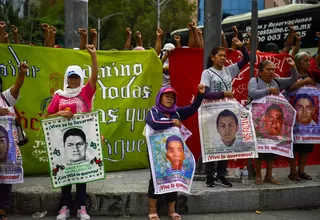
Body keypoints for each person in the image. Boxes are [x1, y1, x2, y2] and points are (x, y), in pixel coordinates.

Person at [47, 44, 98, 220]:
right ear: (67, 78)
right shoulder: (58, 95)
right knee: (65, 173)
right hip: (63, 141)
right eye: (71, 77)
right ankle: (66, 207)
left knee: (82, 172)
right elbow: (48, 116)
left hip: (81, 140)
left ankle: (81, 207)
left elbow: (94, 78)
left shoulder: (85, 93)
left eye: (76, 77)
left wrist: (93, 56)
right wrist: (59, 113)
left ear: (81, 78)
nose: (74, 80)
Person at [146, 84, 205, 220]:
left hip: (174, 153)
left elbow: (192, 108)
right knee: (156, 178)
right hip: (156, 154)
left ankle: (172, 210)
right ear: (160, 98)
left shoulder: (176, 112)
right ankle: (152, 209)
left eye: (172, 97)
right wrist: (173, 122)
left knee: (174, 177)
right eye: (167, 96)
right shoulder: (153, 112)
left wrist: (200, 95)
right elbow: (154, 123)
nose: (170, 99)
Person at [200, 37, 250, 188]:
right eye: (220, 55)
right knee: (211, 144)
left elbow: (246, 59)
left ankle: (221, 175)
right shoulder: (207, 73)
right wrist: (224, 94)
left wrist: (242, 47)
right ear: (212, 57)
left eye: (224, 56)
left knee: (225, 142)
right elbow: (206, 93)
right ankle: (209, 175)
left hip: (226, 111)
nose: (223, 58)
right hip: (211, 112)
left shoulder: (229, 70)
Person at [248, 58, 298, 185]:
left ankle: (269, 176)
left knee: (272, 148)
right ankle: (258, 174)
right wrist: (268, 91)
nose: (271, 72)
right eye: (268, 69)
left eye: (273, 70)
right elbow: (252, 93)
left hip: (274, 123)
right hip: (258, 121)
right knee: (259, 148)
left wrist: (293, 67)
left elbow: (293, 79)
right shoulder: (255, 80)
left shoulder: (276, 81)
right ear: (260, 71)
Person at [0, 62, 28, 220]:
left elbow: (16, 88)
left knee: (4, 178)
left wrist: (22, 73)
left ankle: (2, 209)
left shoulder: (4, 98)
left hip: (5, 149)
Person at [287, 51, 320, 182]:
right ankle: (293, 171)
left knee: (306, 145)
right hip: (294, 116)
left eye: (309, 61)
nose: (308, 63)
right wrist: (303, 82)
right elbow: (288, 88)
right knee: (293, 145)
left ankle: (302, 171)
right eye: (305, 61)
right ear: (298, 63)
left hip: (309, 118)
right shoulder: (290, 74)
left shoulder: (312, 74)